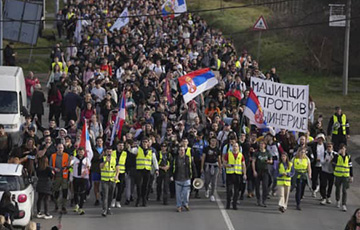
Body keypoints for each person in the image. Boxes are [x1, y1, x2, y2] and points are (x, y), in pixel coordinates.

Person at [171, 145, 197, 212]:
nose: (182, 151)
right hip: (178, 179)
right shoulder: (175, 159)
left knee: (186, 193)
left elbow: (193, 166)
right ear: (178, 151)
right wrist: (171, 176)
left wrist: (195, 175)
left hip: (187, 178)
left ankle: (185, 203)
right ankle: (179, 206)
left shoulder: (188, 158)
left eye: (183, 150)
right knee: (178, 194)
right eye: (180, 150)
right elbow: (172, 168)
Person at [134, 137, 159, 207]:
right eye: (143, 142)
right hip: (139, 170)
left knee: (145, 186)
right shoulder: (138, 149)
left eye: (146, 142)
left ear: (148, 143)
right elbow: (131, 150)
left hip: (147, 170)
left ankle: (144, 200)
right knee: (139, 185)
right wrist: (133, 145)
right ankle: (138, 199)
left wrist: (157, 169)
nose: (145, 143)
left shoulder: (151, 151)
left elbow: (154, 161)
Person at [223, 143, 246, 210]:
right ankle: (228, 204)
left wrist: (244, 174)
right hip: (230, 174)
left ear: (238, 147)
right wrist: (228, 165)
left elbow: (243, 165)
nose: (235, 147)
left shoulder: (241, 155)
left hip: (238, 175)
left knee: (236, 191)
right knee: (229, 190)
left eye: (236, 146)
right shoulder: (228, 154)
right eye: (234, 146)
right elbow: (224, 163)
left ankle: (234, 204)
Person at [50, 143, 70, 214]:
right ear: (56, 148)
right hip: (57, 176)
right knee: (56, 192)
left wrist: (67, 166)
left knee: (65, 191)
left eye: (61, 148)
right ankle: (56, 206)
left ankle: (64, 207)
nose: (60, 149)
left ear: (63, 148)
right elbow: (50, 165)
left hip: (64, 177)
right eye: (59, 148)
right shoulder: (53, 156)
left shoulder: (67, 156)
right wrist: (54, 169)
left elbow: (69, 164)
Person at [333, 144, 353, 212]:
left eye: (343, 148)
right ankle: (337, 200)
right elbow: (333, 163)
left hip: (345, 176)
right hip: (338, 175)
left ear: (345, 149)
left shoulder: (348, 156)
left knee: (344, 190)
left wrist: (351, 176)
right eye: (341, 149)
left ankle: (344, 204)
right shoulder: (337, 156)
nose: (342, 150)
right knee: (338, 189)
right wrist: (337, 154)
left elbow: (350, 167)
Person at [252, 140, 272, 207]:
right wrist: (254, 171)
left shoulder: (267, 152)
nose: (262, 145)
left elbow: (271, 160)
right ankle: (258, 199)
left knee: (265, 186)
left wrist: (268, 161)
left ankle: (264, 200)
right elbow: (253, 162)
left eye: (263, 144)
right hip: (258, 170)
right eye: (260, 144)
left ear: (265, 145)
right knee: (257, 186)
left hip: (265, 170)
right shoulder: (256, 152)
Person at [201, 136, 221, 202]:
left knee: (214, 181)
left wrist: (220, 168)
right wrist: (201, 167)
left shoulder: (217, 149)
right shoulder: (206, 148)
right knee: (207, 180)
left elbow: (219, 159)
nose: (213, 142)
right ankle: (206, 189)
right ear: (210, 141)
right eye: (212, 141)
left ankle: (212, 195)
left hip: (215, 166)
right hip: (208, 165)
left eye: (214, 141)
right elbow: (203, 158)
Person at [71, 147, 91, 215]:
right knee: (76, 192)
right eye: (79, 152)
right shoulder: (74, 158)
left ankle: (81, 207)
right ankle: (76, 204)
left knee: (82, 192)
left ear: (84, 152)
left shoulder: (86, 159)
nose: (80, 153)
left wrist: (87, 166)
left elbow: (89, 167)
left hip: (84, 178)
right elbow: (70, 164)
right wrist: (70, 161)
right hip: (76, 177)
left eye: (82, 152)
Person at [100, 148, 119, 217]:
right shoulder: (103, 158)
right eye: (108, 151)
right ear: (105, 152)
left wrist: (116, 176)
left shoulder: (114, 159)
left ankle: (108, 208)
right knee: (105, 195)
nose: (109, 153)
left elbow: (117, 168)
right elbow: (101, 167)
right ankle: (104, 210)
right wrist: (105, 161)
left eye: (110, 151)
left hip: (112, 179)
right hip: (104, 180)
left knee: (111, 195)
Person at [309, 133, 326, 198]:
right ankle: (314, 190)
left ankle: (322, 194)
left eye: (321, 139)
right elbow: (308, 145)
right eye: (319, 139)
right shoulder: (314, 145)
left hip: (323, 165)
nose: (320, 140)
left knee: (322, 180)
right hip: (315, 164)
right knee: (314, 178)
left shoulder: (325, 145)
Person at [111, 141, 127, 208]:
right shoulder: (113, 152)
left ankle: (118, 201)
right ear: (117, 146)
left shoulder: (125, 153)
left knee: (120, 188)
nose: (121, 147)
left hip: (122, 172)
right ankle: (113, 200)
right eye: (120, 145)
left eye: (122, 145)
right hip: (113, 172)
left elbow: (127, 162)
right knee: (113, 187)